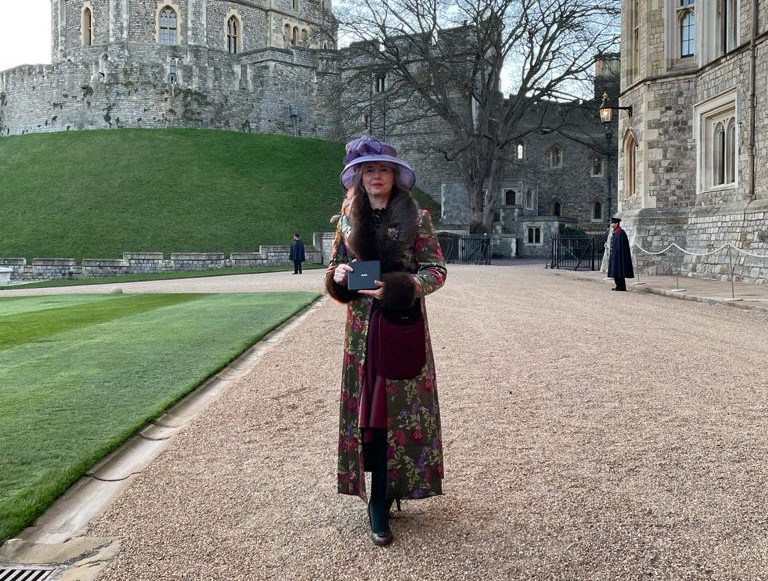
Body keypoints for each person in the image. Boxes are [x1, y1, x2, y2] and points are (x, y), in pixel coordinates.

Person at [325, 136, 447, 547]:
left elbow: (436, 272)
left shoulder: (419, 217)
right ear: (359, 177)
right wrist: (339, 276)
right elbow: (335, 266)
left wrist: (397, 287)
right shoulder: (346, 220)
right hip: (361, 333)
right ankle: (377, 501)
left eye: (383, 169)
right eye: (369, 170)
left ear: (395, 176)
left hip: (401, 324)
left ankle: (391, 490)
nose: (376, 176)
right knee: (370, 418)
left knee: (400, 413)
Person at [608, 216, 634, 291]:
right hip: (615, 255)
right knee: (615, 271)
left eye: (613, 223)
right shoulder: (616, 231)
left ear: (617, 223)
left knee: (619, 271)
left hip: (619, 255)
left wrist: (618, 254)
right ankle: (618, 285)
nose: (612, 224)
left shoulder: (620, 232)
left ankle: (622, 286)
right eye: (612, 222)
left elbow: (622, 246)